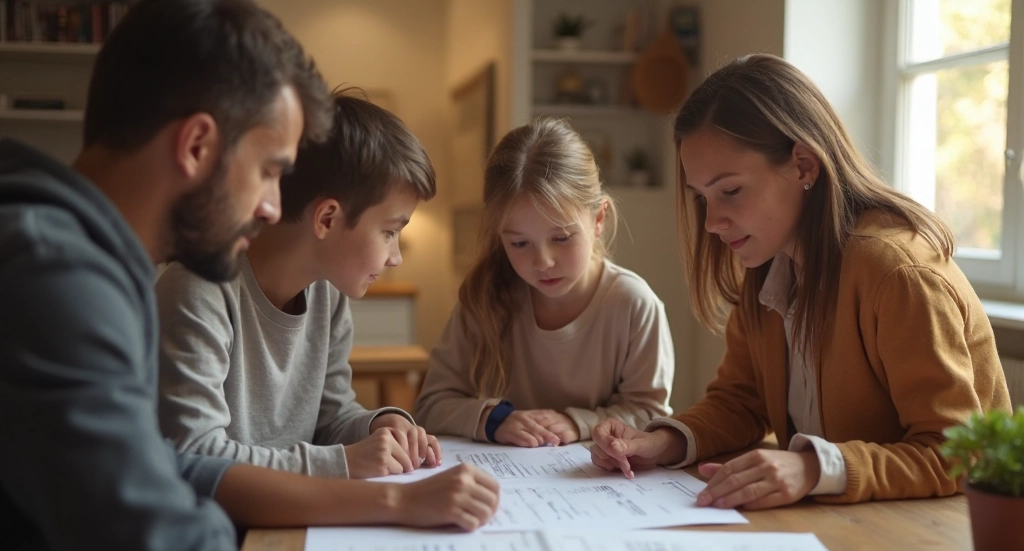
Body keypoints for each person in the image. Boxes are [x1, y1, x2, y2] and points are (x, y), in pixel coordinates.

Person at [0, 2, 496, 551]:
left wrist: (391, 496)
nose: (271, 205)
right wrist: (386, 498)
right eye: (267, 169)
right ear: (196, 146)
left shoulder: (84, 261)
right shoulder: (55, 279)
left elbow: (167, 471)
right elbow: (149, 536)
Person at [590, 53, 1011, 508]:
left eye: (730, 191)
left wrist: (813, 468)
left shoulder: (897, 274)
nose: (711, 222)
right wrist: (661, 442)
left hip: (936, 532)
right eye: (702, 198)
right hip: (844, 524)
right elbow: (742, 401)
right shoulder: (769, 262)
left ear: (804, 166)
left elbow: (957, 453)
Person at [157, 90, 440, 480]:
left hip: (290, 516)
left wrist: (380, 424)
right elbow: (195, 453)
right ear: (326, 218)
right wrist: (342, 463)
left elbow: (331, 417)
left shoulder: (328, 293)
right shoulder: (198, 290)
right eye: (390, 232)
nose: (396, 257)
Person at [415, 117, 674, 447]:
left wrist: (576, 422)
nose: (543, 262)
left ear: (598, 219)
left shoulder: (633, 304)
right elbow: (431, 406)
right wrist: (494, 420)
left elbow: (650, 412)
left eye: (562, 238)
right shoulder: (486, 297)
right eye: (520, 244)